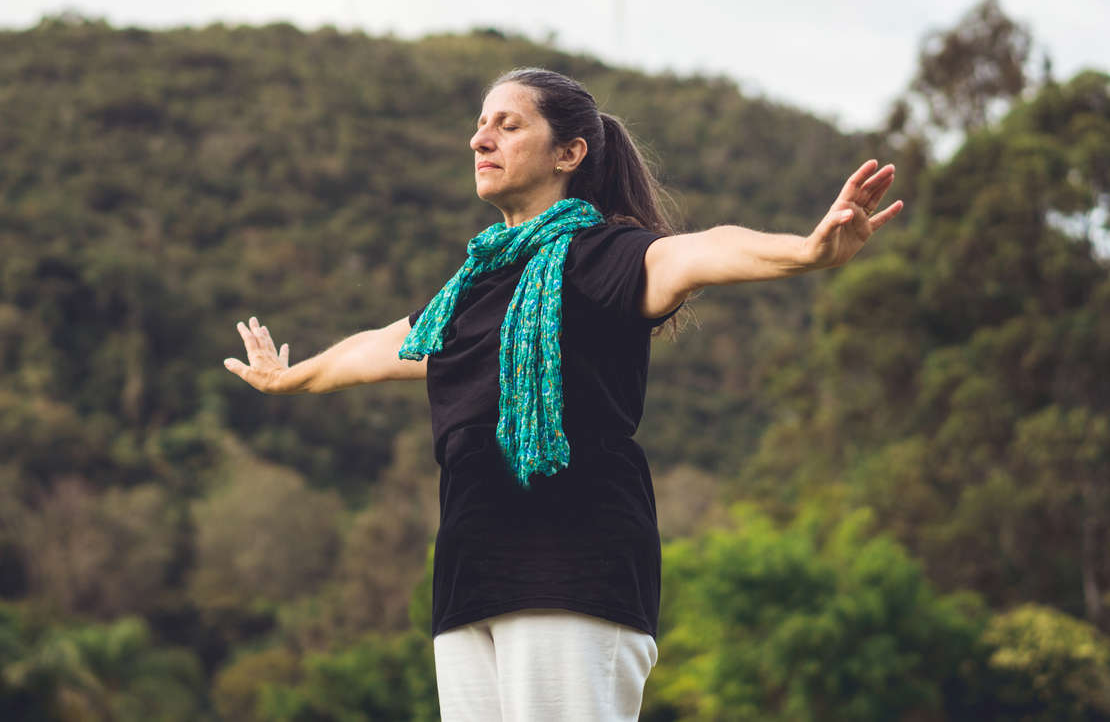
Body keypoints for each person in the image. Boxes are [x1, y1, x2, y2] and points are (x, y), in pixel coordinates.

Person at [223, 68, 903, 721]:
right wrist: (293, 376)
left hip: (576, 571)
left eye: (507, 125)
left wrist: (806, 253)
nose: (479, 139)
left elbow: (697, 251)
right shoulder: (468, 290)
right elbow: (383, 346)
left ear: (569, 152)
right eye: (480, 125)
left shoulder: (606, 256)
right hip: (469, 582)